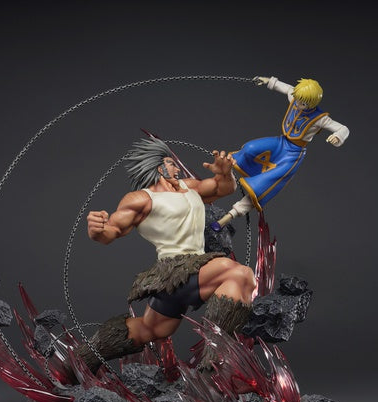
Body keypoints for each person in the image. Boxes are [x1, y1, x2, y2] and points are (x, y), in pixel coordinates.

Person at [69, 136, 256, 376]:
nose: (177, 168)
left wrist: (224, 173)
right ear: (160, 168)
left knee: (151, 329)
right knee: (239, 274)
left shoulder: (190, 187)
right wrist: (97, 230)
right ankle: (214, 367)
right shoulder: (142, 198)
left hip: (193, 269)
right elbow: (112, 230)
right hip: (173, 269)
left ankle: (83, 357)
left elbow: (223, 188)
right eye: (171, 163)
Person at [211, 76, 350, 230]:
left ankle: (227, 218)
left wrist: (338, 136)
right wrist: (268, 81)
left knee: (265, 185)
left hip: (293, 154)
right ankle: (219, 180)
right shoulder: (296, 98)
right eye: (298, 100)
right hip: (281, 142)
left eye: (303, 103)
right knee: (250, 148)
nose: (298, 104)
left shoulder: (320, 119)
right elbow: (286, 88)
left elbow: (343, 128)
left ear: (311, 103)